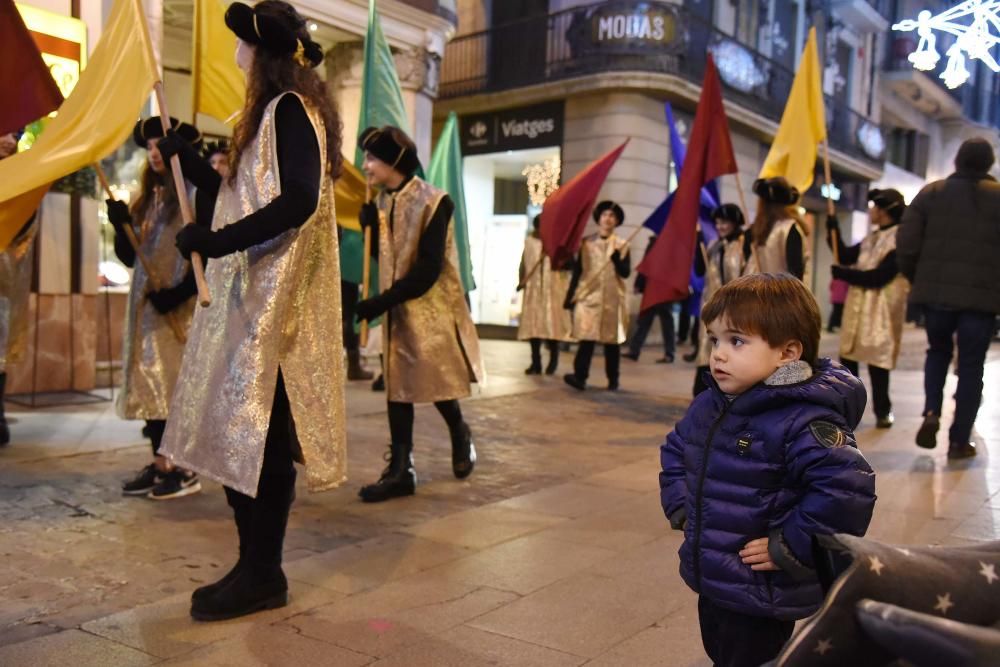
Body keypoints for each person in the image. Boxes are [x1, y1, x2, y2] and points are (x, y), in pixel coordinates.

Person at [159, 0, 347, 621]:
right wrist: (181, 154)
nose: (236, 53)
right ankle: (253, 565)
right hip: (248, 307)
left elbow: (295, 201)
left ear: (261, 54)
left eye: (242, 43)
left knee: (262, 446)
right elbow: (238, 196)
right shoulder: (268, 114)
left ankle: (264, 573)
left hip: (274, 311)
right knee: (245, 443)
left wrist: (215, 243)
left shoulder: (291, 111)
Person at [659, 272, 876, 667]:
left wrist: (793, 545)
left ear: (787, 353)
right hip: (715, 571)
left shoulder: (804, 421)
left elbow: (847, 490)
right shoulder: (712, 404)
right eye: (716, 340)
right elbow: (676, 450)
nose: (719, 354)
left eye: (737, 341)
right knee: (721, 648)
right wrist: (681, 505)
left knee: (750, 656)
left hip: (763, 585)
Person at [353, 125, 484, 504]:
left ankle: (459, 431)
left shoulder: (434, 201)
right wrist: (370, 232)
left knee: (433, 381)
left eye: (372, 157)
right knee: (398, 384)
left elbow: (427, 269)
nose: (366, 165)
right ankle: (401, 470)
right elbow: (389, 258)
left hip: (432, 308)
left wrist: (381, 302)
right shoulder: (382, 202)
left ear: (393, 160)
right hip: (399, 305)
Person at [108, 117, 202, 500]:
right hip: (147, 309)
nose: (154, 153)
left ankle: (185, 467)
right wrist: (121, 226)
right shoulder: (149, 196)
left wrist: (180, 293)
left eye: (161, 144)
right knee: (152, 386)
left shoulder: (195, 195)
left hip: (183, 309)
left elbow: (210, 256)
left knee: (177, 388)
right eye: (148, 148)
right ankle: (162, 461)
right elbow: (132, 258)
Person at [897, 137, 1000, 459]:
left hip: (937, 296)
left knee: (937, 352)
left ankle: (931, 412)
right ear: (988, 163)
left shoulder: (931, 193)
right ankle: (959, 440)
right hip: (982, 301)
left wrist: (921, 280)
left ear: (957, 160)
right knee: (971, 366)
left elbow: (906, 244)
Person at [827, 189, 910, 429]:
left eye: (875, 206)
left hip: (880, 312)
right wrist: (832, 228)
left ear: (885, 210)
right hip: (857, 310)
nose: (871, 210)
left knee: (877, 364)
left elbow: (880, 276)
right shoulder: (870, 238)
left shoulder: (900, 239)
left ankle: (883, 410)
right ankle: (848, 410)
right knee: (848, 363)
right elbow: (844, 254)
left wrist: (845, 274)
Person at [563, 201, 630, 391]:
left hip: (611, 298)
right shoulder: (586, 243)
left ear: (616, 221)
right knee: (586, 338)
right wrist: (569, 296)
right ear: (599, 218)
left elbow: (625, 273)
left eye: (612, 216)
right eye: (605, 215)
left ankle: (613, 379)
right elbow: (578, 271)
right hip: (588, 297)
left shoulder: (622, 244)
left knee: (611, 342)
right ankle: (580, 377)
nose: (608, 219)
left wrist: (618, 261)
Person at [690, 204, 751, 396]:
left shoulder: (745, 244)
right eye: (717, 222)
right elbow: (700, 271)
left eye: (724, 222)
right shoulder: (714, 245)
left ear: (735, 222)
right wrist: (698, 239)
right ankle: (702, 396)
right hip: (712, 309)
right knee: (707, 350)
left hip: (737, 309)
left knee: (730, 352)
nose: (720, 226)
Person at [0, 131, 36, 446]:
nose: (8, 140)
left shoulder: (22, 175)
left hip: (4, 278)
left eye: (14, 134)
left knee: (0, 348)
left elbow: (27, 223)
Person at [517, 215, 572, 375]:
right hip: (534, 291)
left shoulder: (557, 244)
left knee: (551, 326)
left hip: (552, 290)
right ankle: (536, 363)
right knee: (534, 327)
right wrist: (521, 281)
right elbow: (524, 263)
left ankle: (553, 360)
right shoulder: (530, 242)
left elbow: (568, 265)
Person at [746, 177, 809, 283]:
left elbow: (796, 274)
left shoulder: (788, 229)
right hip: (759, 294)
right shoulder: (757, 231)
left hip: (779, 296)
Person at [623, 234, 674, 363]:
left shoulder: (673, 243)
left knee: (666, 321)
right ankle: (634, 350)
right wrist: (639, 283)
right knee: (644, 318)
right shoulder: (653, 241)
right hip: (651, 286)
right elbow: (646, 263)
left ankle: (669, 353)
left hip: (665, 288)